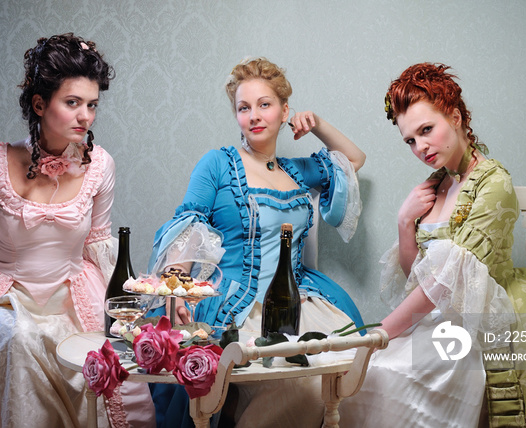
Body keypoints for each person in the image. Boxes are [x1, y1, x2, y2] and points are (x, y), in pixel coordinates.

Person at [0, 34, 155, 427]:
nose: (85, 116)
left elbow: (100, 248)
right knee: (18, 339)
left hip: (74, 293)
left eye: (92, 105)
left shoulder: (101, 166)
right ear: (40, 104)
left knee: (92, 353)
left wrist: (132, 308)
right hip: (2, 295)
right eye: (72, 103)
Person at [338, 63, 526, 427]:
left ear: (457, 115)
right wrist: (404, 223)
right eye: (410, 140)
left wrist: (381, 332)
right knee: (374, 370)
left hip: (483, 316)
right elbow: (419, 278)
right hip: (439, 314)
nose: (420, 147)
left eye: (426, 130)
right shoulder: (436, 183)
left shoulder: (493, 183)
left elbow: (441, 283)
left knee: (387, 371)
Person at [148, 57, 367, 427]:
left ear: (285, 112)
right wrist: (177, 287)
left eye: (265, 105)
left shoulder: (296, 171)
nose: (254, 115)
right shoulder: (218, 164)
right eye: (243, 108)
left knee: (340, 374)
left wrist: (317, 124)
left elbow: (354, 160)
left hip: (299, 301)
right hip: (235, 305)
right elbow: (189, 226)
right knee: (291, 385)